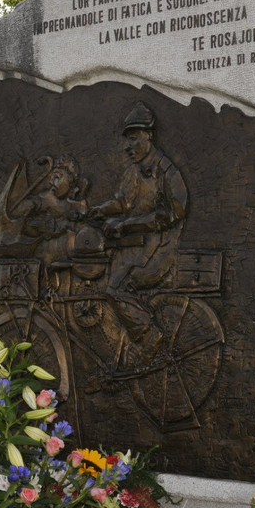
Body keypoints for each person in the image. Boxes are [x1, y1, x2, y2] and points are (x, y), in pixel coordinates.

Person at [86, 102, 188, 369]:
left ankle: (150, 336)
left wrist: (128, 224)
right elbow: (123, 201)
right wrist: (101, 210)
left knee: (114, 290)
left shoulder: (167, 172)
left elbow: (175, 211)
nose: (128, 146)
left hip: (158, 251)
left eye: (133, 139)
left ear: (149, 136)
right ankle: (118, 362)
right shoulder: (132, 172)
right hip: (133, 249)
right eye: (127, 140)